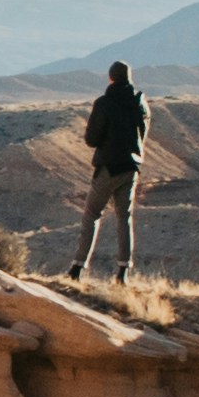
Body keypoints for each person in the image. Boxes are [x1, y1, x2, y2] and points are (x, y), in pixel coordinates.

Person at [78, 58, 152, 278]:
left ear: (110, 78)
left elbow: (91, 139)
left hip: (108, 166)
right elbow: (143, 135)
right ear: (129, 78)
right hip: (131, 166)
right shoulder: (140, 101)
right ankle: (123, 271)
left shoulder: (104, 103)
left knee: (91, 215)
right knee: (124, 217)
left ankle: (77, 266)